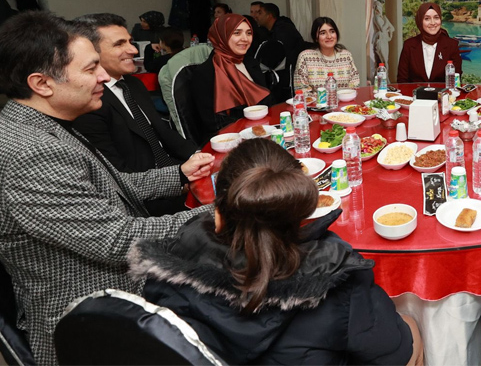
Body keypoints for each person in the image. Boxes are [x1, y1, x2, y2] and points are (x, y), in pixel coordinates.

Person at [0, 11, 215, 365]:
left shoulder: (42, 123)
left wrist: (179, 173)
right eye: (89, 69)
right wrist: (220, 213)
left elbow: (108, 186)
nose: (103, 77)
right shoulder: (33, 151)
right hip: (91, 325)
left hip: (112, 297)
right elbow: (116, 240)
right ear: (41, 84)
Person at [129, 138, 424, 365]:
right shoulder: (334, 280)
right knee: (411, 329)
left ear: (217, 215)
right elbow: (393, 354)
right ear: (295, 210)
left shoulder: (170, 266)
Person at [73, 13, 196, 215]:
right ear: (91, 53)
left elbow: (164, 133)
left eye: (130, 41)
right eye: (119, 44)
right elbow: (117, 177)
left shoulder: (133, 84)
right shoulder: (89, 103)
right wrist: (177, 181)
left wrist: (199, 156)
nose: (133, 49)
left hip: (176, 172)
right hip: (149, 199)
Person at [186, 13, 275, 144]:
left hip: (261, 132)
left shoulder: (251, 64)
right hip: (228, 140)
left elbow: (267, 101)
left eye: (249, 33)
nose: (245, 39)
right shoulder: (205, 73)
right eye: (237, 33)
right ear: (221, 35)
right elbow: (213, 123)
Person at [397, 2, 462, 83]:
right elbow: (402, 80)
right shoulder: (409, 45)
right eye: (427, 18)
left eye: (436, 18)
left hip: (443, 95)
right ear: (420, 21)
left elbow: (456, 80)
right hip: (414, 95)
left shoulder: (452, 45)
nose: (433, 23)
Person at [253, 2, 307, 98]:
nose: (256, 16)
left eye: (260, 13)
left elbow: (286, 57)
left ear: (269, 16)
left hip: (292, 75)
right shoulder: (268, 31)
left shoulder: (284, 30)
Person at [294, 17, 359, 90]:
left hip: (345, 100)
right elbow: (300, 89)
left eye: (332, 31)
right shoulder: (305, 57)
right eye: (323, 33)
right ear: (316, 38)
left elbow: (354, 85)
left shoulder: (346, 55)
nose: (329, 36)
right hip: (317, 101)